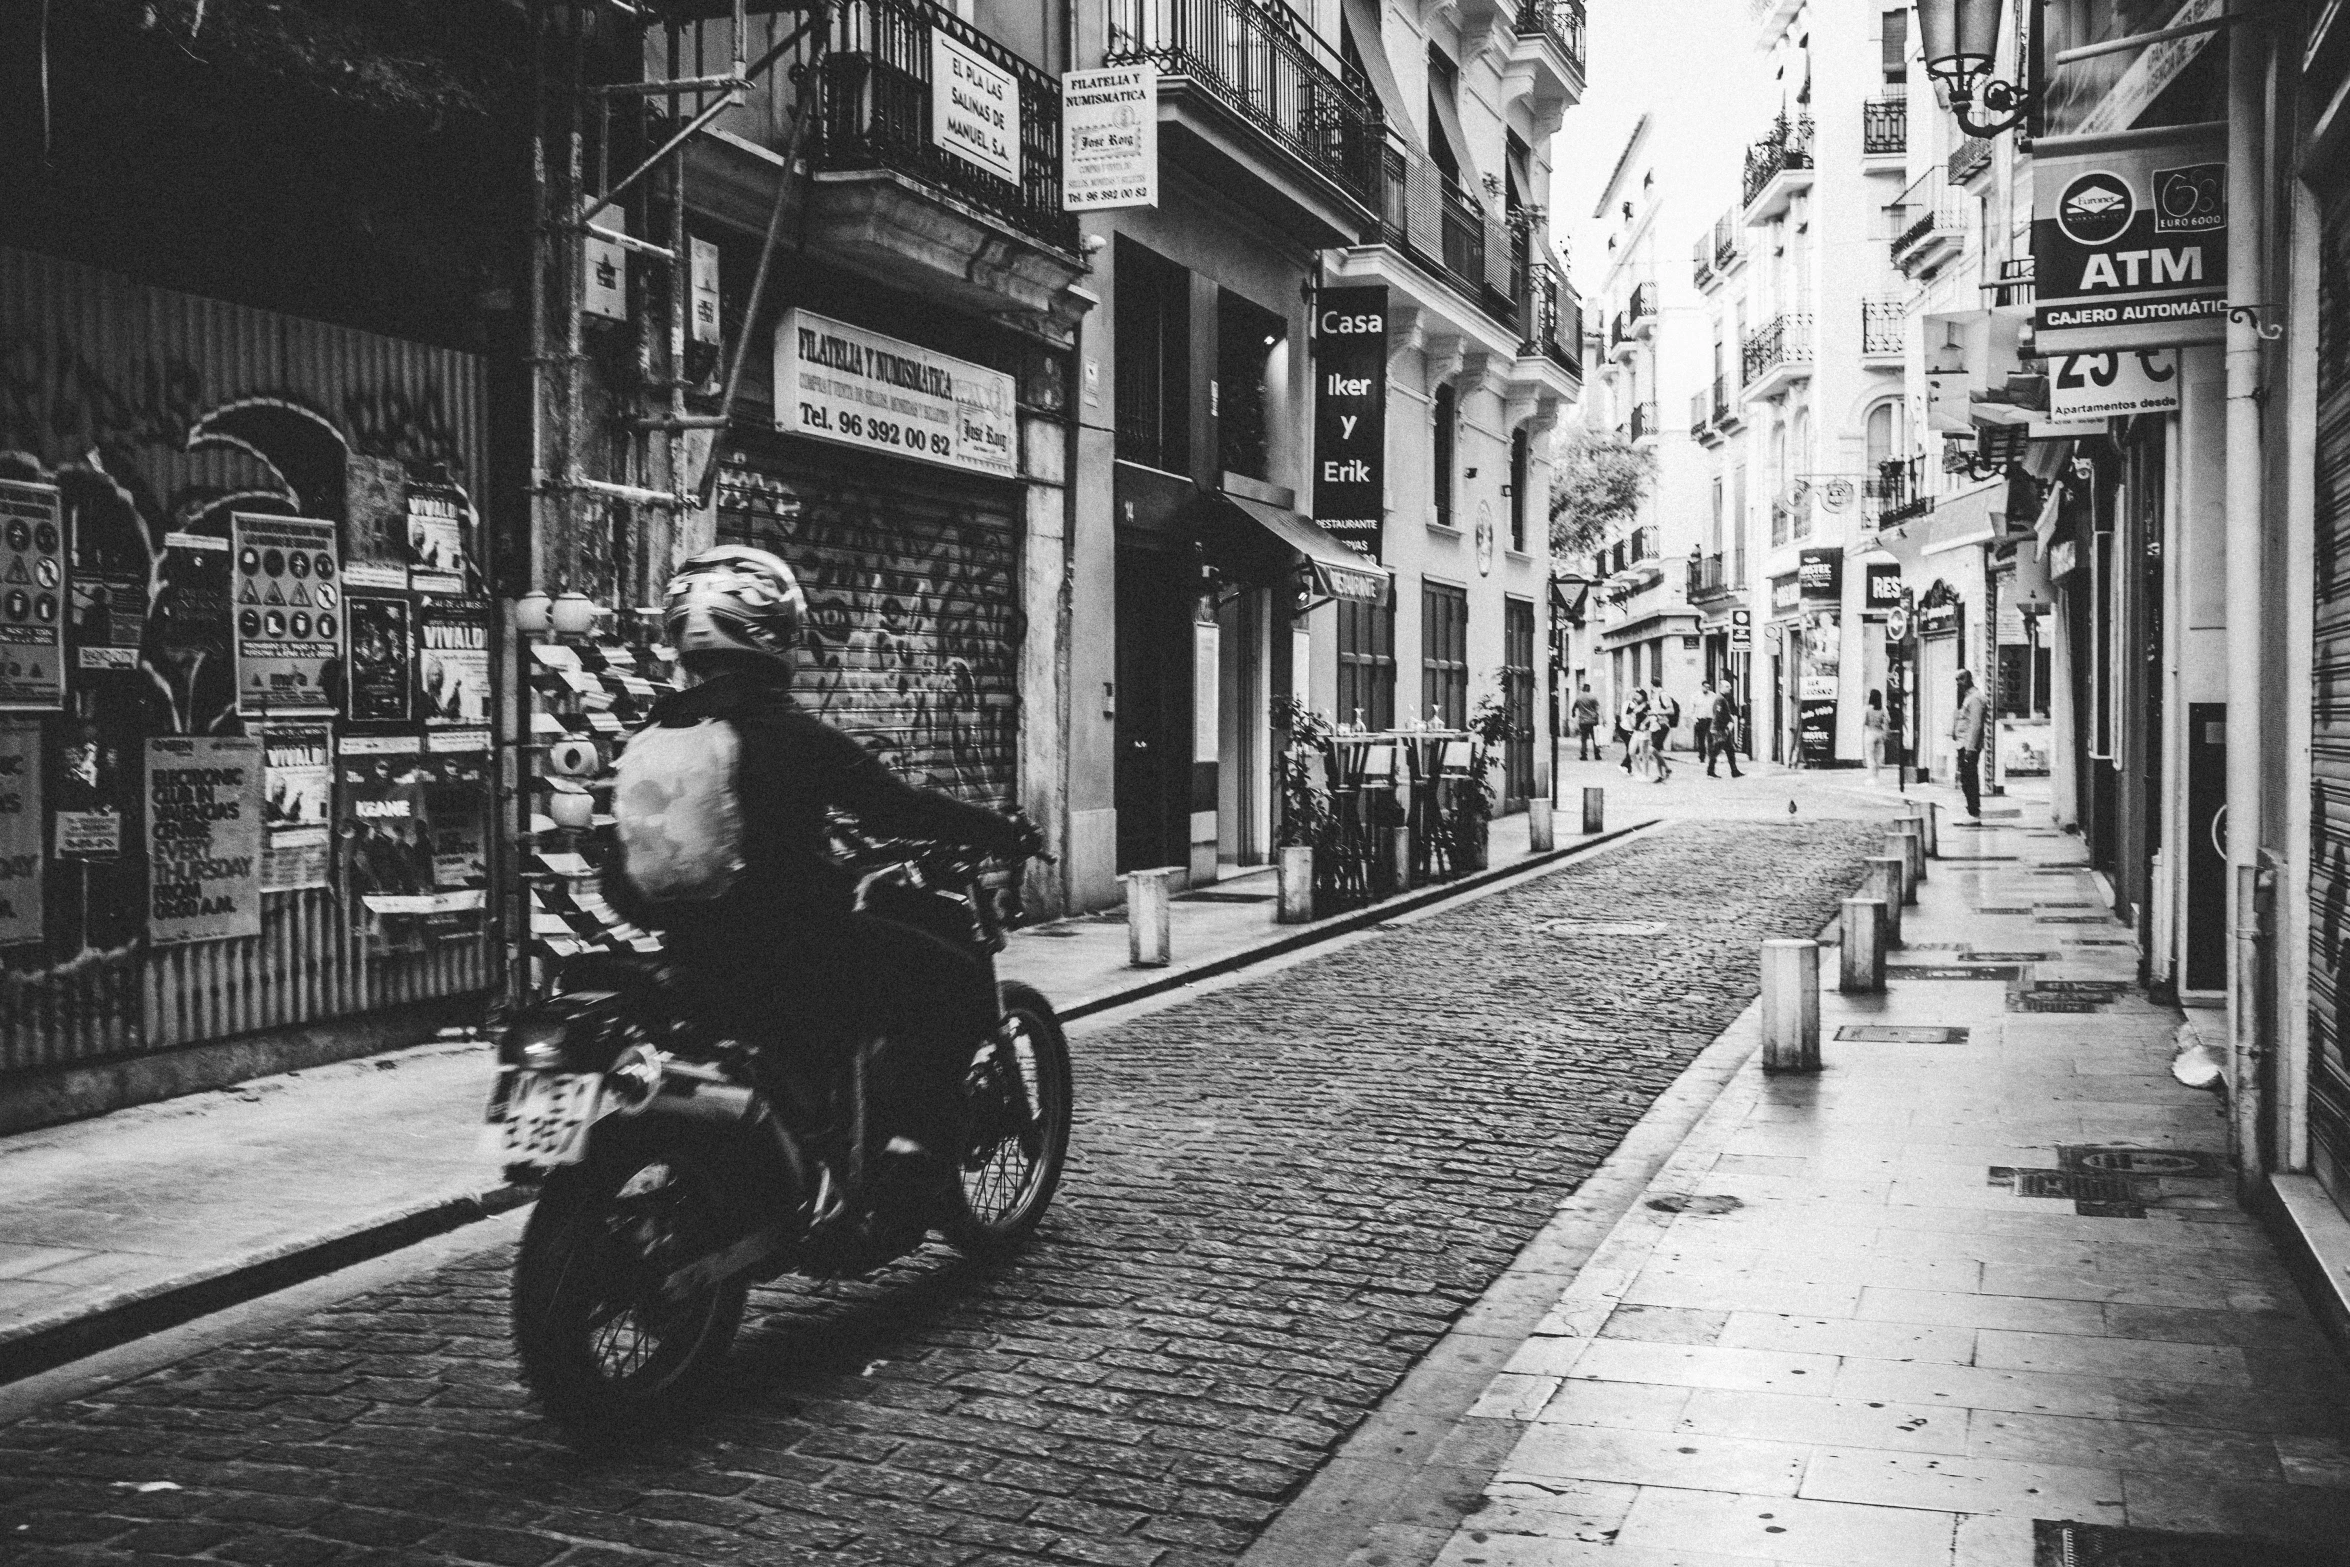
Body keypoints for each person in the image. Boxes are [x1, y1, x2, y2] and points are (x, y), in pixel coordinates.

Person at [611, 545, 1040, 1185]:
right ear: (775, 632)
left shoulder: (654, 735)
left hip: (693, 952)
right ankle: (912, 1149)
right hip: (797, 951)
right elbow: (895, 808)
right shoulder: (790, 736)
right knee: (948, 971)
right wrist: (997, 828)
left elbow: (623, 859)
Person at [1952, 668, 1989, 818]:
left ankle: (1974, 809)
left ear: (1969, 679)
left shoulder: (1975, 698)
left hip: (1968, 746)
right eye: (1957, 680)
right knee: (1966, 778)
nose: (1958, 683)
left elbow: (1976, 725)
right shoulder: (1968, 697)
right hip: (1963, 744)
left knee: (1969, 778)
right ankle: (1971, 807)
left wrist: (1970, 748)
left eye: (1961, 679)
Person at [1705, 684, 1743, 778]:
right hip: (1720, 729)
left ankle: (1734, 771)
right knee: (1716, 750)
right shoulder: (1720, 699)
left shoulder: (1724, 698)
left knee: (1730, 750)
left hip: (1722, 729)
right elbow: (1718, 715)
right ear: (1721, 687)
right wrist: (1724, 728)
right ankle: (1710, 771)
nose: (1730, 688)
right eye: (1727, 686)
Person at [1647, 683, 1678, 783]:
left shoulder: (1663, 695)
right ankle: (1660, 775)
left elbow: (1671, 710)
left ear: (1653, 685)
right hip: (1654, 725)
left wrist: (1657, 712)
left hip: (1663, 725)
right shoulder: (1654, 696)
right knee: (1657, 752)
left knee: (1652, 749)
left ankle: (1667, 768)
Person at [1620, 687, 1651, 777]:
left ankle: (1645, 774)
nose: (1636, 696)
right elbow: (1628, 714)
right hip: (1636, 731)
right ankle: (1640, 771)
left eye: (1638, 695)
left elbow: (1651, 716)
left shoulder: (1647, 705)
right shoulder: (1635, 704)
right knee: (1631, 752)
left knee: (1644, 754)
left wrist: (1644, 723)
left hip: (1644, 731)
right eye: (1636, 695)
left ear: (1643, 696)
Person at [1862, 687, 1889, 785]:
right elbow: (1887, 721)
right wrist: (1885, 734)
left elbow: (1864, 722)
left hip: (1870, 732)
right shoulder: (1883, 708)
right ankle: (1876, 777)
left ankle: (1871, 778)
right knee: (1878, 757)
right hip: (1880, 733)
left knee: (1869, 756)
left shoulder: (1867, 708)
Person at [1572, 684, 1602, 761]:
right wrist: (1600, 717)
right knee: (1595, 738)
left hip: (1583, 722)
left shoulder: (1579, 697)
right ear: (1589, 689)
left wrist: (1573, 714)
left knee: (1584, 739)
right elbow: (1598, 708)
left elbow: (1574, 708)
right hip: (1593, 721)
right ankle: (1597, 754)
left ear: (1583, 689)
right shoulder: (1593, 697)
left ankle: (1584, 755)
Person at [1692, 684, 1715, 763]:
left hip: (1710, 719)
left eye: (1708, 687)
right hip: (1700, 719)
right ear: (1702, 686)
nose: (1707, 688)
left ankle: (1711, 756)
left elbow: (1714, 707)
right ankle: (1702, 757)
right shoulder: (1696, 695)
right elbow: (1692, 707)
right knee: (1701, 739)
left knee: (1710, 738)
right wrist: (1694, 719)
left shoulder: (1712, 696)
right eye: (1705, 687)